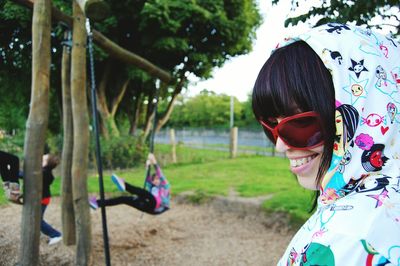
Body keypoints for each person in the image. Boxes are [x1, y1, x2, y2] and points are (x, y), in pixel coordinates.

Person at [252, 23, 400, 265]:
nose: (279, 146)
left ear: (361, 115)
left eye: (301, 124)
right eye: (271, 126)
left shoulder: (347, 239)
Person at [89, 153, 170, 215]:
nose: (156, 181)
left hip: (157, 206)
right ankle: (97, 203)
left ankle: (125, 185)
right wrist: (147, 165)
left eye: (157, 179)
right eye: (154, 180)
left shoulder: (164, 186)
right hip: (147, 207)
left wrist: (154, 161)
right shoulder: (152, 187)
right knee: (124, 199)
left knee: (143, 192)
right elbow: (147, 178)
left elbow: (160, 174)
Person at [40, 153, 62, 245]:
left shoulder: (45, 173)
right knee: (36, 219)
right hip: (42, 198)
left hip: (42, 200)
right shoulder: (43, 172)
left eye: (42, 160)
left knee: (37, 220)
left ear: (46, 164)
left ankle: (56, 235)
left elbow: (28, 176)